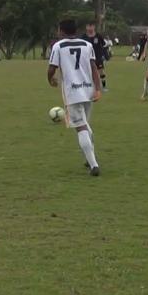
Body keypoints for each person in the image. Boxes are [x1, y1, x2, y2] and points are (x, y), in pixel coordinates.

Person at [48, 19, 103, 177]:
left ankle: (94, 165)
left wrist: (50, 79)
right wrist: (98, 89)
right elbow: (94, 68)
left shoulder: (58, 46)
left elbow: (52, 68)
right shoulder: (87, 45)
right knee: (85, 124)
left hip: (73, 92)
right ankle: (88, 157)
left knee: (81, 128)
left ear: (61, 31)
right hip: (88, 90)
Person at [80, 22, 109, 91]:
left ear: (94, 27)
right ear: (86, 27)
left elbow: (104, 45)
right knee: (87, 72)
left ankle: (103, 86)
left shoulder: (98, 36)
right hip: (87, 58)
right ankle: (86, 86)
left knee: (101, 72)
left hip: (98, 57)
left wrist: (104, 55)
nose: (90, 28)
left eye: (91, 26)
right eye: (88, 26)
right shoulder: (83, 37)